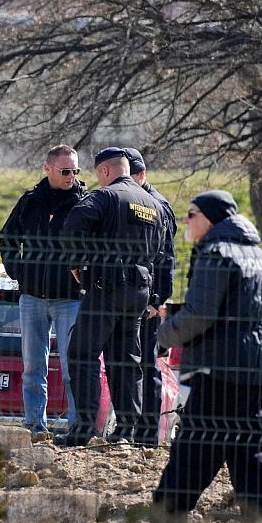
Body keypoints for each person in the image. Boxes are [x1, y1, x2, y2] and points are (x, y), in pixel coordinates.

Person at [152, 191, 262, 523]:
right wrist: (180, 315)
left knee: (191, 457)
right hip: (254, 371)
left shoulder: (215, 253)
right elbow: (244, 313)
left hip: (218, 371)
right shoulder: (258, 257)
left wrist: (164, 333)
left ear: (209, 217)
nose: (187, 221)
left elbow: (201, 315)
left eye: (191, 214)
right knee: (250, 459)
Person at [57, 147, 166, 446]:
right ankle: (126, 431)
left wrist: (77, 262)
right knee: (127, 360)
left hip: (106, 286)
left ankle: (83, 428)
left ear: (104, 171)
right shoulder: (152, 203)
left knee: (83, 353)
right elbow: (159, 249)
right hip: (139, 291)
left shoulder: (104, 196)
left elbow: (73, 224)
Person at [0, 144, 88, 437]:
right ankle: (35, 426)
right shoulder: (30, 201)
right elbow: (8, 237)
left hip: (70, 299)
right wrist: (18, 270)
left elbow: (98, 245)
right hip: (32, 296)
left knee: (72, 366)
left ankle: (77, 427)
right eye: (65, 171)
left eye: (75, 170)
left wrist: (84, 276)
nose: (71, 176)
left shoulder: (85, 202)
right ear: (47, 169)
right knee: (33, 368)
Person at [123, 148, 177, 445]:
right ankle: (132, 431)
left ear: (141, 175)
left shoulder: (156, 205)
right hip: (131, 296)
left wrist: (158, 300)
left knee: (147, 365)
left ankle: (146, 437)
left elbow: (165, 258)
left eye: (128, 176)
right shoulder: (130, 200)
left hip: (148, 300)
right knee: (130, 365)